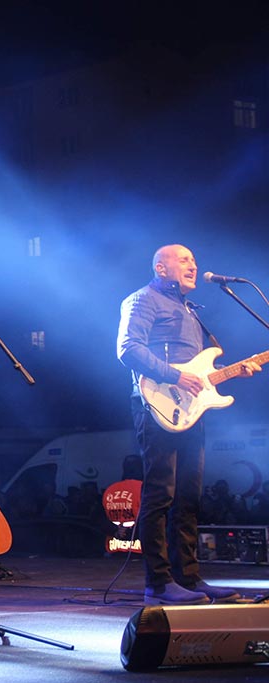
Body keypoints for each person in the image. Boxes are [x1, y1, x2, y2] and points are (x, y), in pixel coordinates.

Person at [117, 244, 260, 606]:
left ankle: (190, 578)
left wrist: (232, 373)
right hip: (157, 407)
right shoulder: (142, 299)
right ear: (160, 268)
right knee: (160, 493)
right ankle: (159, 583)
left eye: (194, 260)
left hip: (191, 410)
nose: (193, 265)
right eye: (183, 260)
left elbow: (200, 373)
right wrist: (174, 375)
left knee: (189, 497)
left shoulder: (190, 310)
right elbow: (128, 349)